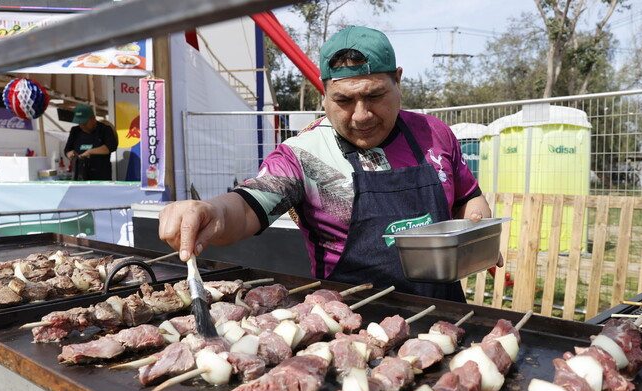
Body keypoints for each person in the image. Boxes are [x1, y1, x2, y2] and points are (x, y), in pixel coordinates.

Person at [159, 26, 498, 302]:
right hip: (351, 331)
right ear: (323, 92)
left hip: (447, 316)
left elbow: (468, 196)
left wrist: (477, 233)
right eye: (344, 100)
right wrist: (211, 211)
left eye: (375, 95)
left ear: (398, 80)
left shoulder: (433, 133)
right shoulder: (304, 154)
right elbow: (248, 207)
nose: (362, 115)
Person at [64, 104, 118, 181]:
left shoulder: (104, 129)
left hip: (100, 176)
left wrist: (90, 152)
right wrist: (70, 153)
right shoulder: (75, 131)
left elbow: (111, 146)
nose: (82, 126)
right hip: (80, 175)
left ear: (93, 119)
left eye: (85, 123)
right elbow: (67, 150)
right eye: (79, 123)